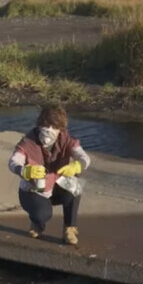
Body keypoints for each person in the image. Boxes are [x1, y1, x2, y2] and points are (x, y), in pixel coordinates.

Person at [8, 105, 90, 245]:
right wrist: (25, 171)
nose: (49, 130)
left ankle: (69, 229)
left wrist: (77, 165)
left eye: (54, 127)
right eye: (46, 125)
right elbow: (13, 162)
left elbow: (84, 158)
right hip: (33, 190)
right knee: (43, 215)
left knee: (75, 188)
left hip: (56, 185)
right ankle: (37, 223)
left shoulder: (67, 140)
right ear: (39, 125)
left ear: (61, 129)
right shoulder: (28, 142)